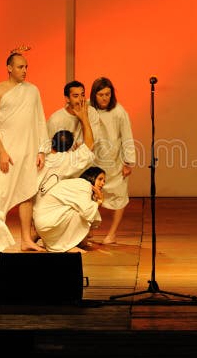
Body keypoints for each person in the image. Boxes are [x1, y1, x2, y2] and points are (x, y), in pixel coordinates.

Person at [0, 50, 50, 252]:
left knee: (27, 194)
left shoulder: (32, 91)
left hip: (28, 151)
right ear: (9, 68)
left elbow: (40, 119)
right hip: (6, 151)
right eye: (21, 67)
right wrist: (2, 151)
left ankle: (25, 240)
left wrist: (42, 151)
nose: (24, 71)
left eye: (26, 67)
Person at [89, 77, 136, 244]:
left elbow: (127, 136)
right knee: (91, 195)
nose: (104, 98)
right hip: (94, 160)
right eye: (101, 94)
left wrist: (128, 162)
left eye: (107, 94)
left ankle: (112, 233)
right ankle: (88, 230)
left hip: (114, 160)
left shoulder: (118, 111)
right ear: (94, 95)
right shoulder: (88, 108)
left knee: (118, 195)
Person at [33, 166, 106, 253]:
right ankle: (66, 246)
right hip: (47, 222)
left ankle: (69, 243)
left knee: (88, 207)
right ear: (91, 177)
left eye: (104, 181)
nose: (102, 183)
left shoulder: (80, 185)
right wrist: (99, 201)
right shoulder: (84, 185)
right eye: (100, 179)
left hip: (45, 222)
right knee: (83, 211)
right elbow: (87, 212)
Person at [46, 80, 102, 148]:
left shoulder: (92, 112)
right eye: (76, 96)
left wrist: (84, 119)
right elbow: (48, 147)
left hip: (87, 157)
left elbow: (94, 143)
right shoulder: (55, 120)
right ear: (67, 99)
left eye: (83, 95)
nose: (81, 99)